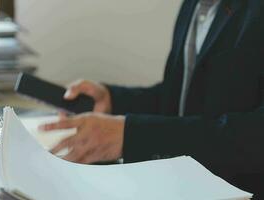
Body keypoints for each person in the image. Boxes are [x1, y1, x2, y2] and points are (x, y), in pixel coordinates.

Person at [40, 0, 264, 197]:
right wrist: (113, 101)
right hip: (188, 185)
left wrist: (133, 134)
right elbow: (181, 101)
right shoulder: (193, 5)